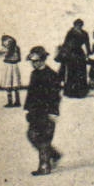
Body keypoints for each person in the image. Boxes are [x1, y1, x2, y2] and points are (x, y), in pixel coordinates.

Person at [23, 46, 63, 176]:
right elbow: (31, 93)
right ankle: (54, 155)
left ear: (43, 60)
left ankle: (44, 166)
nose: (34, 63)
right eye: (32, 61)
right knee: (32, 135)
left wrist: (53, 112)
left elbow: (55, 96)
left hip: (46, 112)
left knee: (44, 139)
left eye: (37, 61)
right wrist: (28, 109)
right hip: (35, 112)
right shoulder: (34, 74)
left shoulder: (51, 75)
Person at [59, 18, 90, 98]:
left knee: (78, 73)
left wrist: (89, 53)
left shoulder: (75, 32)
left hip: (76, 54)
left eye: (79, 25)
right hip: (74, 54)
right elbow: (66, 44)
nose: (78, 26)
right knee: (73, 73)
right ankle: (74, 92)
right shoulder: (74, 33)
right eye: (77, 25)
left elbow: (87, 44)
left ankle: (77, 92)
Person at [0, 35, 22, 107]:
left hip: (9, 66)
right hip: (11, 66)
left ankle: (13, 102)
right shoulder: (15, 48)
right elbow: (19, 58)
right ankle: (15, 101)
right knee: (13, 83)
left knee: (11, 83)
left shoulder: (9, 49)